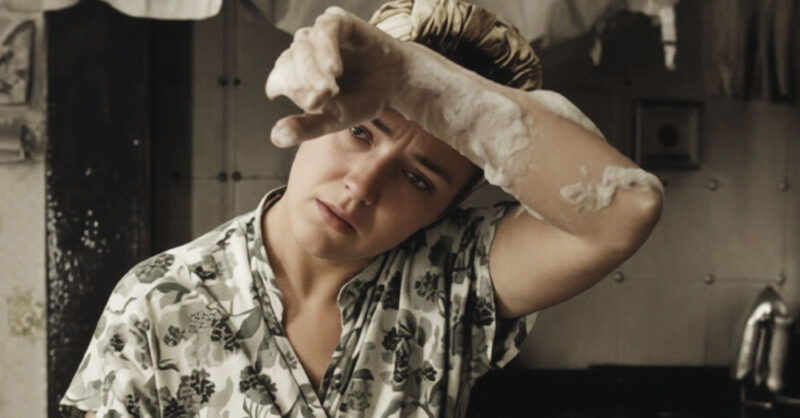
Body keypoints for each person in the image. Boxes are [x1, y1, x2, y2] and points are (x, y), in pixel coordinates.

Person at [61, 0, 663, 417]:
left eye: (417, 178)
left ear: (447, 207)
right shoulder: (156, 302)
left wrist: (410, 76)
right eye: (359, 133)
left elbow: (627, 211)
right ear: (317, 115)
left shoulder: (453, 275)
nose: (362, 186)